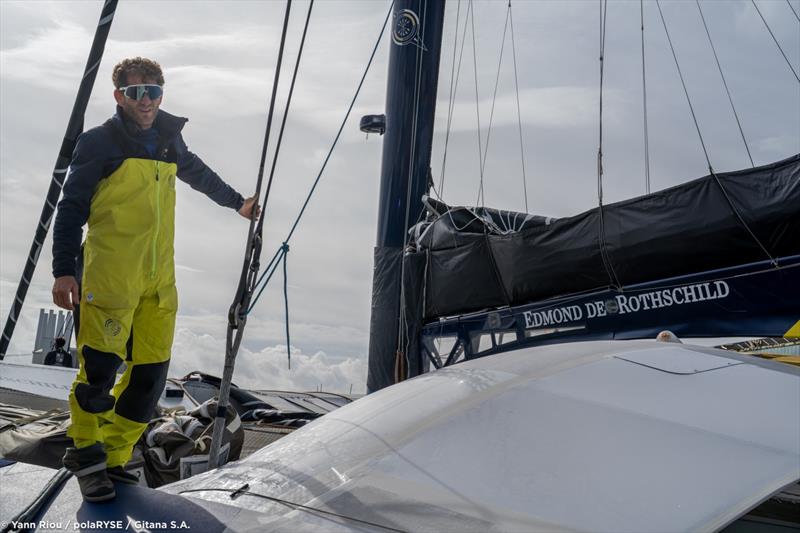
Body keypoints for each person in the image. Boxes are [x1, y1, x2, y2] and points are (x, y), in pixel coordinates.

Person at [51, 57, 259, 502]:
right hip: (109, 276)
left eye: (154, 91)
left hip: (158, 281)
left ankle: (115, 456)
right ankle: (87, 456)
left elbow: (198, 173)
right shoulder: (97, 143)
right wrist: (63, 270)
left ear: (162, 93)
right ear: (119, 97)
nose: (146, 101)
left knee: (149, 379)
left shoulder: (169, 140)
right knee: (98, 376)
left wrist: (238, 204)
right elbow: (70, 209)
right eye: (136, 93)